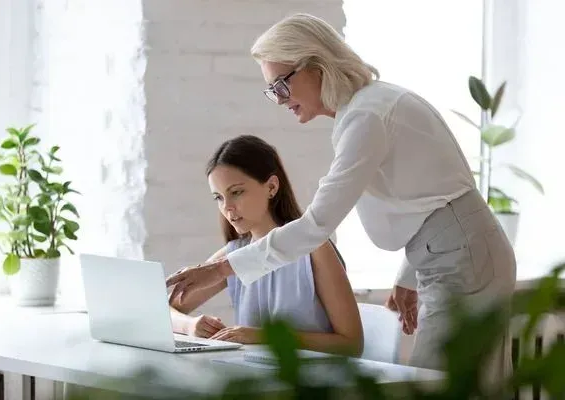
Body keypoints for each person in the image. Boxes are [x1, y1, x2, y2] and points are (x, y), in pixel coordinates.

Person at [167, 13, 516, 377]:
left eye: (281, 86)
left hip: (463, 256)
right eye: (271, 91)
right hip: (454, 251)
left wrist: (221, 268)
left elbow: (316, 225)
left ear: (316, 66)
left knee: (443, 385)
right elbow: (430, 200)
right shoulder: (366, 110)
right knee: (463, 383)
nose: (279, 100)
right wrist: (408, 274)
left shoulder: (367, 116)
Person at [168, 134, 364, 357]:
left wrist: (262, 336)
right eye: (219, 198)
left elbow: (351, 345)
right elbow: (164, 309)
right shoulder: (233, 255)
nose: (227, 208)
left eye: (236, 192)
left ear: (271, 187)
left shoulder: (315, 249)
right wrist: (190, 326)